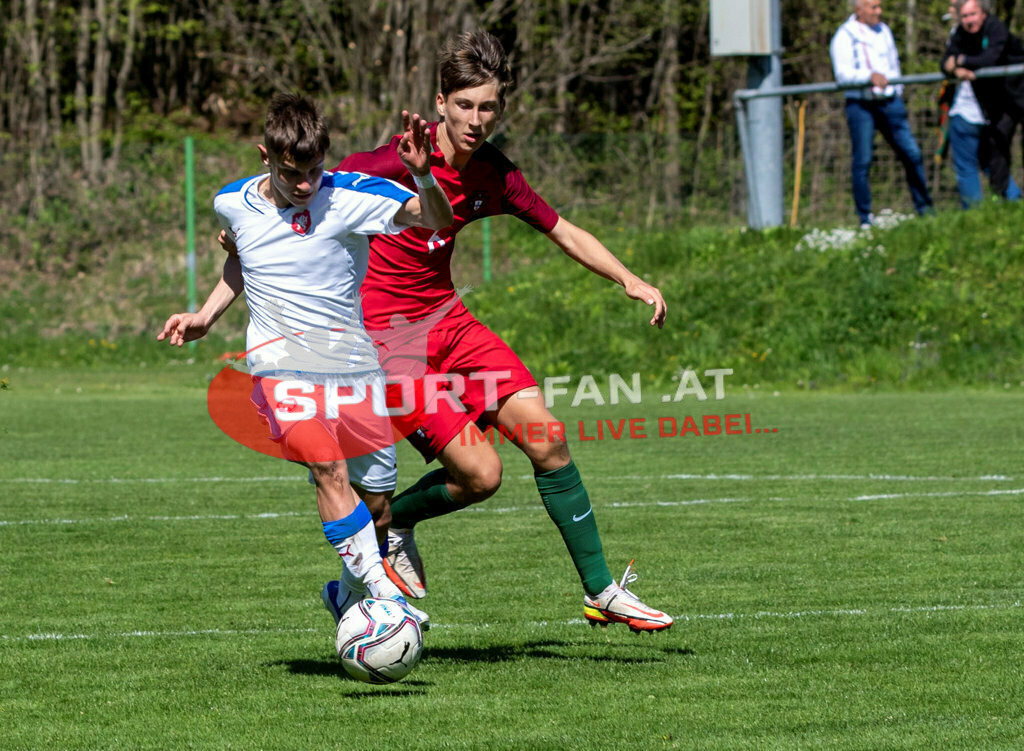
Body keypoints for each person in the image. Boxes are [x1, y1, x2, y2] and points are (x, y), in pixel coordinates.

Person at [336, 31, 673, 632]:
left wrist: (629, 279)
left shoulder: (492, 172)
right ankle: (390, 525)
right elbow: (306, 198)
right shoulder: (387, 164)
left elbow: (562, 229)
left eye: (488, 106)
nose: (476, 119)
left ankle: (601, 590)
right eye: (464, 105)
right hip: (390, 343)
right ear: (440, 103)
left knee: (548, 439)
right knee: (481, 476)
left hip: (451, 323)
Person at [158, 93, 454, 633]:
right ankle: (388, 596)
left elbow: (433, 219)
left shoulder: (352, 195)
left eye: (314, 170)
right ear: (264, 155)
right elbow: (240, 257)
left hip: (354, 368)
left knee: (378, 503)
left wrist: (425, 177)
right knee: (326, 465)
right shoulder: (233, 202)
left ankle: (345, 595)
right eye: (292, 172)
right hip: (278, 367)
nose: (305, 184)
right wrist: (206, 316)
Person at [831, 0, 934, 227]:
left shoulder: (884, 30)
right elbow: (842, 74)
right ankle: (865, 219)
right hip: (861, 105)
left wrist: (897, 91)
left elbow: (893, 64)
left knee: (912, 154)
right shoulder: (844, 36)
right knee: (863, 160)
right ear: (859, 10)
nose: (879, 11)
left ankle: (925, 209)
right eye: (873, 7)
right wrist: (868, 76)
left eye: (879, 6)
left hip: (890, 103)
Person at [942, 0, 1024, 198]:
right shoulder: (960, 35)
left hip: (1019, 93)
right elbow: (945, 62)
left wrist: (963, 61)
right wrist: (955, 68)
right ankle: (1004, 199)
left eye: (973, 14)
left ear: (983, 13)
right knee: (997, 147)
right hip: (997, 102)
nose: (969, 20)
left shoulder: (996, 27)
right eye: (965, 16)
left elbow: (991, 58)